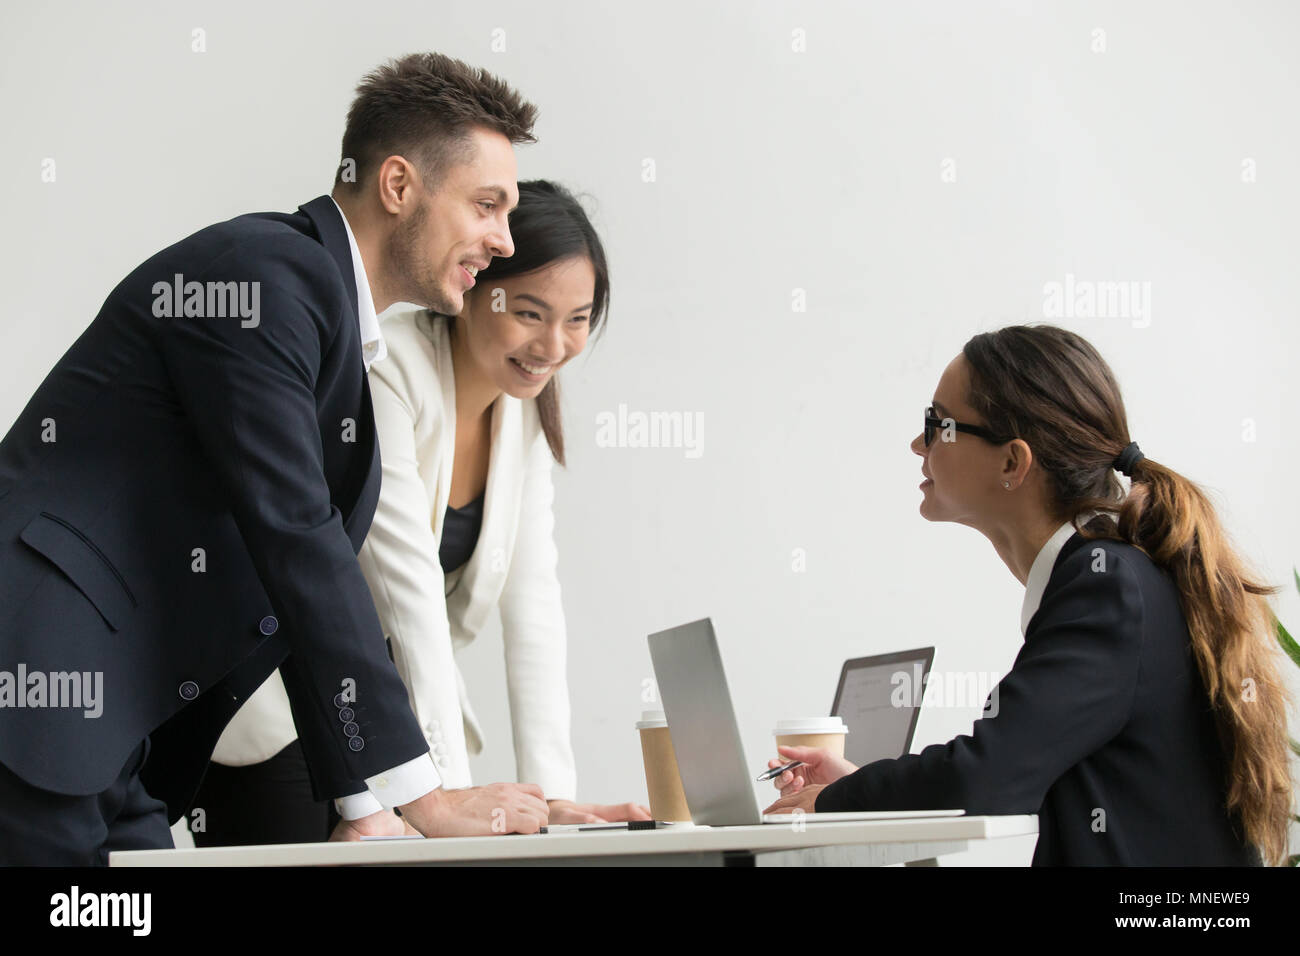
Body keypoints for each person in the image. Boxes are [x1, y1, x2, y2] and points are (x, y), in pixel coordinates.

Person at [0, 52, 554, 864]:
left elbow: (289, 590)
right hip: (38, 686)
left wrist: (366, 801)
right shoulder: (265, 278)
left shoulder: (334, 351)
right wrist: (422, 792)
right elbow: (296, 539)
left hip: (116, 740)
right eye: (486, 206)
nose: (502, 242)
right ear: (398, 185)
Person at [194, 181, 650, 844]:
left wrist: (552, 800)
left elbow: (535, 617)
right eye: (529, 312)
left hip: (386, 726)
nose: (554, 344)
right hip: (281, 713)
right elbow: (410, 598)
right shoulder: (386, 369)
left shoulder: (520, 418)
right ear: (473, 289)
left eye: (578, 318)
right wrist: (452, 803)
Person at [765, 325, 1293, 866]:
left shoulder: (1106, 587)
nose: (918, 445)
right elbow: (1002, 766)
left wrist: (837, 799)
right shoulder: (1106, 577)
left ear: (1013, 463)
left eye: (936, 424)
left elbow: (984, 777)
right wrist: (867, 790)